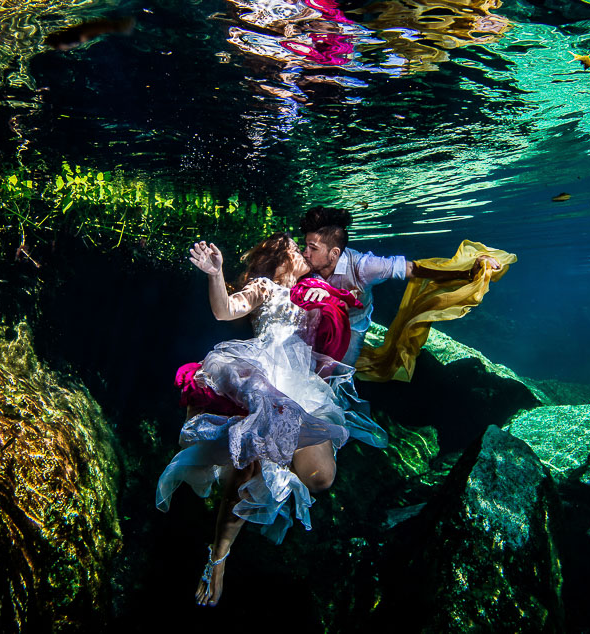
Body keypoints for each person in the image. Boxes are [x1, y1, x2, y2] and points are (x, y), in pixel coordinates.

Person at [156, 233, 386, 607]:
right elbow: (225, 310)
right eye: (296, 250)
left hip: (302, 387)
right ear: (278, 261)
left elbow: (353, 318)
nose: (303, 253)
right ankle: (218, 557)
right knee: (251, 463)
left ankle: (265, 468)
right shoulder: (266, 287)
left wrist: (326, 303)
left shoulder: (320, 288)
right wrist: (216, 274)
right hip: (262, 377)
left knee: (322, 479)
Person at [300, 206, 502, 365]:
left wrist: (466, 271)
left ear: (334, 253)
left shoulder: (365, 267)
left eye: (312, 248)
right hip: (316, 319)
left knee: (336, 375)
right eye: (305, 245)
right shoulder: (305, 264)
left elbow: (414, 269)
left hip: (352, 324)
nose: (305, 253)